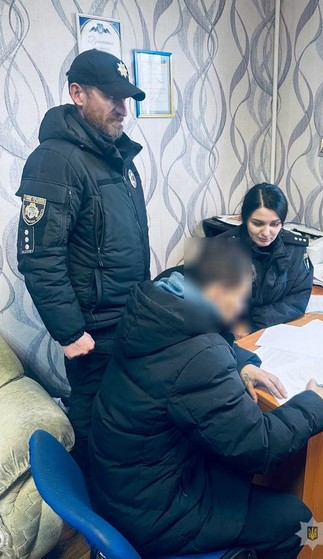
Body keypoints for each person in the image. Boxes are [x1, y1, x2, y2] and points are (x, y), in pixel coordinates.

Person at [90, 239, 323, 559]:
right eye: (240, 300)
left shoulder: (158, 304)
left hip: (121, 481)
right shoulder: (200, 355)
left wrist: (241, 364)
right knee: (301, 522)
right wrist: (314, 403)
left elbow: (189, 353)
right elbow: (259, 447)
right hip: (153, 513)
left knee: (236, 467)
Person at [16, 49, 150, 474]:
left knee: (125, 420)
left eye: (125, 98)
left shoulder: (118, 157)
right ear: (77, 93)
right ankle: (88, 504)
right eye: (111, 97)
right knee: (93, 422)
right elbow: (39, 257)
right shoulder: (55, 160)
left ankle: (120, 492)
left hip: (129, 319)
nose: (122, 108)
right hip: (94, 332)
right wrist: (71, 332)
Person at [221, 183, 313, 336]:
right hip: (234, 337)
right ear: (244, 219)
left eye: (275, 224)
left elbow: (299, 296)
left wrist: (261, 320)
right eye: (257, 224)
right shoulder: (222, 247)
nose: (266, 232)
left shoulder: (295, 248)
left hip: (277, 330)